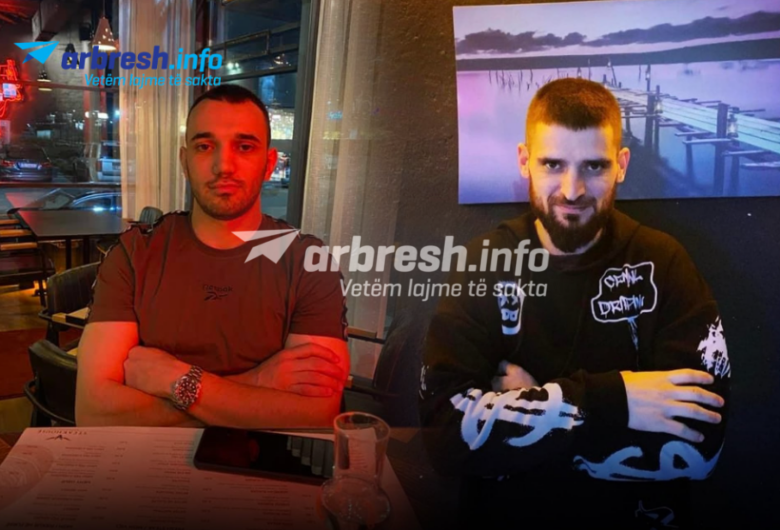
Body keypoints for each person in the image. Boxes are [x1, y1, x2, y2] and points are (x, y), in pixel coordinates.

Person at [419, 78, 730, 527]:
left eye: (594, 166)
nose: (571, 190)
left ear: (621, 165)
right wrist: (615, 402)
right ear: (524, 161)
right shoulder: (485, 263)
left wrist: (532, 406)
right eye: (552, 164)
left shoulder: (665, 264)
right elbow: (444, 439)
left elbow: (701, 451)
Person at [76, 84, 349, 429]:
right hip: (142, 462)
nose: (223, 166)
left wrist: (174, 380)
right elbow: (94, 412)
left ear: (269, 164)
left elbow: (318, 413)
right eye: (205, 146)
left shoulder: (309, 263)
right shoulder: (134, 254)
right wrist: (258, 382)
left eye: (244, 147)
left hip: (266, 462)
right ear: (184, 162)